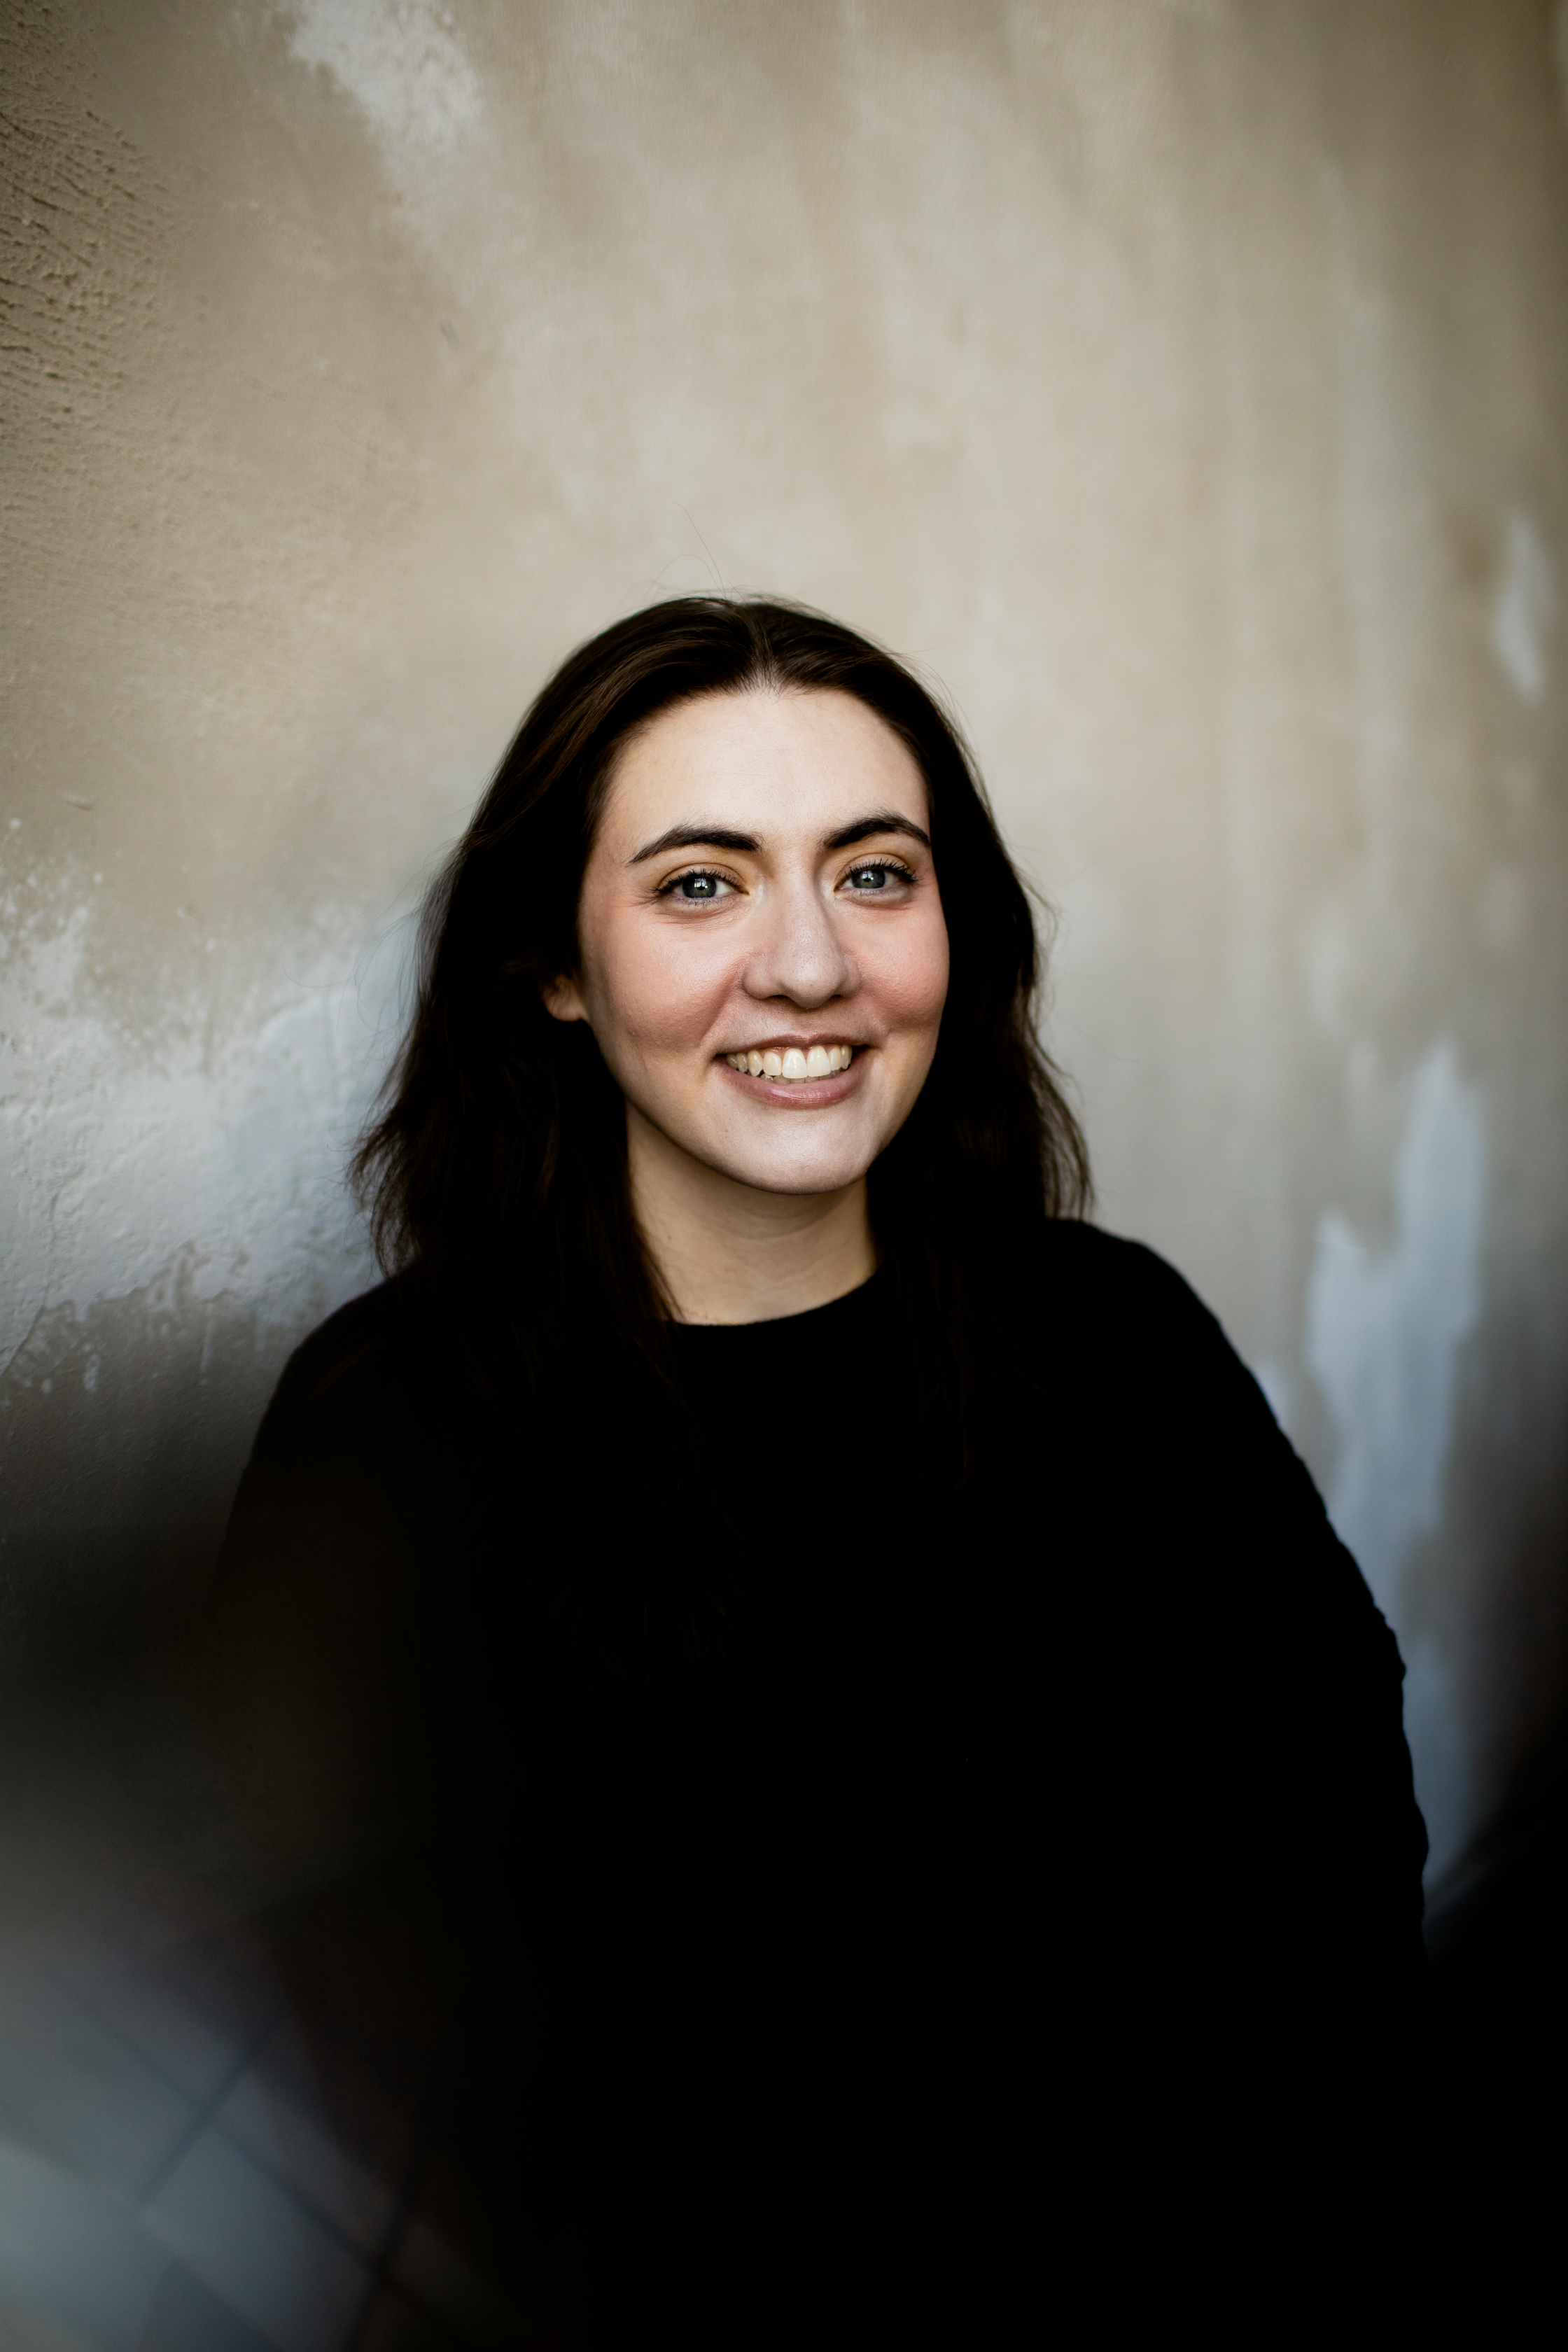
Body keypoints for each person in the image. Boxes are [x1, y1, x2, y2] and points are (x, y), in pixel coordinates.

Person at [210, 596, 1427, 2345]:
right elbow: (329, 2049)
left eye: (873, 872)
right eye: (700, 883)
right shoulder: (390, 1427)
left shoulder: (1117, 1338)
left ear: (959, 931)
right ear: (553, 968)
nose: (807, 965)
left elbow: (1330, 1844)